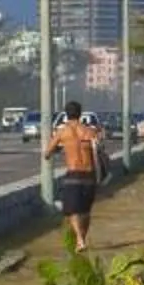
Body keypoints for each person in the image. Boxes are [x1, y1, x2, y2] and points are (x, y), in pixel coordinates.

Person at [45, 99, 102, 252]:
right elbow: (100, 148)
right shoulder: (89, 131)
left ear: (66, 114)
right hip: (89, 175)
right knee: (86, 210)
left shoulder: (62, 132)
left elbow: (47, 153)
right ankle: (82, 239)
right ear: (80, 114)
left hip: (73, 175)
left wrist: (59, 149)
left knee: (72, 210)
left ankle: (80, 238)